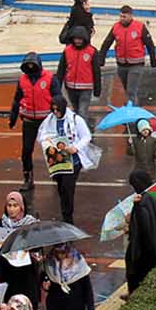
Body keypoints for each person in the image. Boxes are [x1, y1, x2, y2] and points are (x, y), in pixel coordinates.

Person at [38, 95, 94, 224]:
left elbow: (86, 136)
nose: (56, 112)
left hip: (73, 161)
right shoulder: (50, 120)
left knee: (68, 190)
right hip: (58, 162)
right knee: (61, 189)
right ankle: (65, 213)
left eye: (58, 110)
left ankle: (68, 218)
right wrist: (46, 141)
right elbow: (42, 135)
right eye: (53, 110)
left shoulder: (76, 119)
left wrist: (76, 147)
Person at [0, 191, 41, 304]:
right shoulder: (1, 223)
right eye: (9, 205)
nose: (12, 209)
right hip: (7, 273)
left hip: (26, 274)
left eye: (15, 206)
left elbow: (38, 247)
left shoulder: (31, 224)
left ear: (21, 207)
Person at [8, 52, 53, 190]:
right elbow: (17, 100)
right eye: (28, 66)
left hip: (46, 121)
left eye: (33, 65)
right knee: (26, 151)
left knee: (52, 150)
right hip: (29, 121)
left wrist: (60, 116)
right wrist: (13, 118)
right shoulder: (22, 80)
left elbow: (57, 97)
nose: (31, 68)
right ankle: (28, 178)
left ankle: (59, 175)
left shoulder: (50, 78)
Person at [97, 5, 156, 105]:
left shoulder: (140, 27)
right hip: (121, 64)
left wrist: (153, 60)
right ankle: (133, 106)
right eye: (120, 16)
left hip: (136, 64)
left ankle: (131, 111)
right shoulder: (116, 27)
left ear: (130, 16)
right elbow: (107, 43)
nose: (122, 19)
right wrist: (101, 58)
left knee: (131, 90)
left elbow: (149, 44)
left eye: (124, 17)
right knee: (127, 89)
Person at [124, 170, 156, 297]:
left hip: (145, 248)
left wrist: (131, 223)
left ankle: (134, 294)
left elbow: (144, 226)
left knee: (135, 269)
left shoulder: (142, 203)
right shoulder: (153, 196)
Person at [54, 26, 99, 124]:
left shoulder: (92, 51)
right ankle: (76, 131)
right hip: (70, 87)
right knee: (76, 110)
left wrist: (97, 89)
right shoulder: (67, 51)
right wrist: (57, 87)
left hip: (86, 87)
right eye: (76, 39)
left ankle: (82, 133)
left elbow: (96, 71)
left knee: (82, 112)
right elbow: (61, 69)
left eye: (80, 39)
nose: (78, 41)